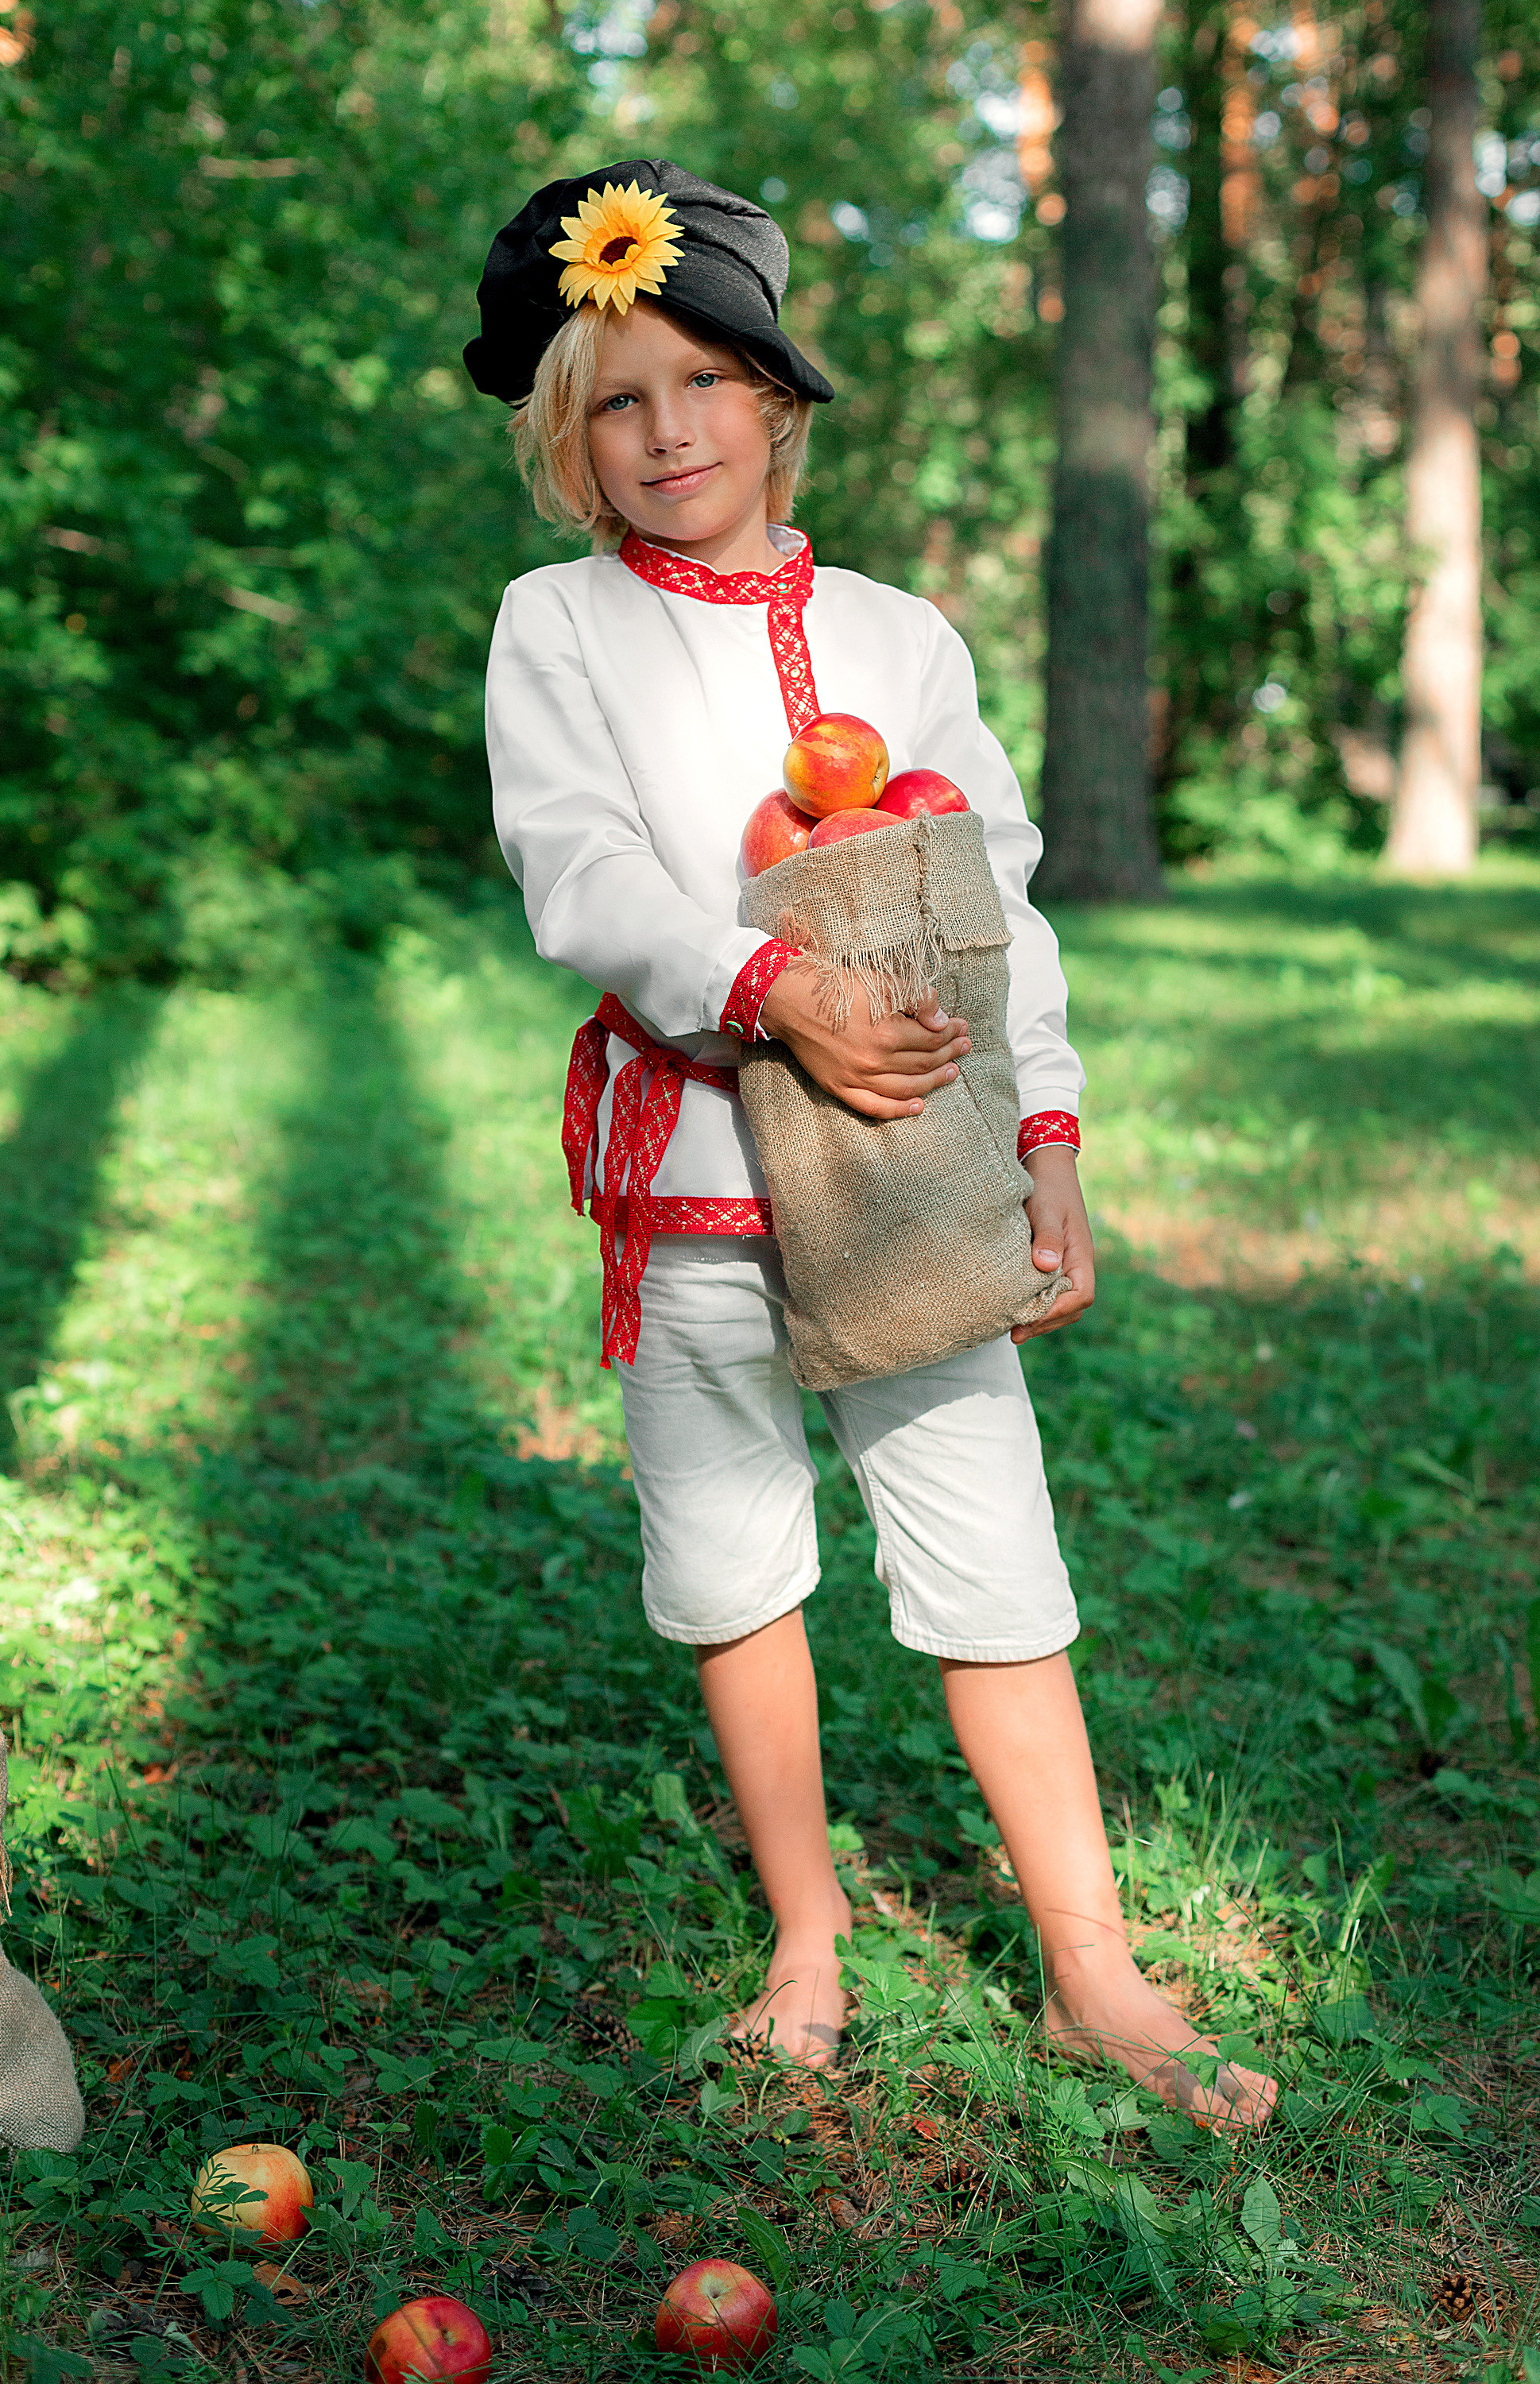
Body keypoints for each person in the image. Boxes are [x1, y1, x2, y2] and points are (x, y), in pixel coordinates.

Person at [470, 161, 1275, 2127]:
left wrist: (1050, 1136)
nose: (665, 432)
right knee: (734, 1558)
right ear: (569, 445)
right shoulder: (557, 628)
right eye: (617, 401)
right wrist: (770, 987)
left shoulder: (902, 636)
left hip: (911, 1175)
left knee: (991, 1551)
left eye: (701, 384)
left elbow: (994, 898)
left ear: (777, 400)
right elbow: (575, 873)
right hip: (696, 1175)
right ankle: (808, 1928)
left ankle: (1089, 1966)